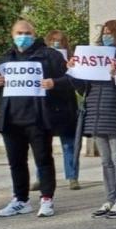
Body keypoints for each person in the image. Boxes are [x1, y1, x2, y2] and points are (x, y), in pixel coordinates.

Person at [0, 20, 72, 218]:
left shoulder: (50, 56)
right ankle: (20, 200)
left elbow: (71, 79)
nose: (23, 36)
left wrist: (54, 83)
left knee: (43, 160)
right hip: (11, 120)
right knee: (16, 162)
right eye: (19, 32)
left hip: (39, 118)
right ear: (12, 35)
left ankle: (47, 199)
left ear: (34, 33)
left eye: (27, 32)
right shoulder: (4, 60)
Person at [69, 20, 116, 218]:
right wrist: (74, 72)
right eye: (104, 33)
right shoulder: (94, 57)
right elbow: (83, 89)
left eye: (111, 33)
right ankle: (109, 199)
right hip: (95, 114)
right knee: (106, 161)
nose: (107, 36)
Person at [37, 30, 80, 190]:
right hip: (46, 105)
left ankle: (72, 177)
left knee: (69, 144)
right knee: (42, 145)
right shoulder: (40, 58)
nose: (57, 43)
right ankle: (41, 178)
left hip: (66, 105)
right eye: (53, 40)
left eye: (60, 41)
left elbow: (75, 80)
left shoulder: (72, 58)